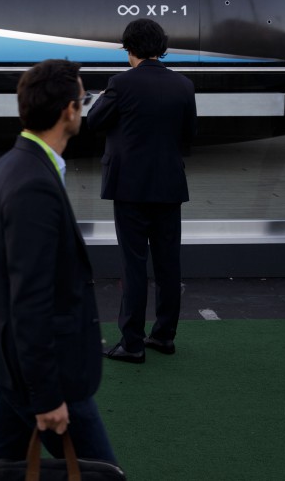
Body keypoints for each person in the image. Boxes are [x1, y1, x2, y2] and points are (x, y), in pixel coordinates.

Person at [0, 58, 117, 465]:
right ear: (68, 111)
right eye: (83, 100)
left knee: (4, 467)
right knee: (101, 472)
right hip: (44, 377)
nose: (83, 108)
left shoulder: (13, 164)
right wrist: (46, 396)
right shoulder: (32, 183)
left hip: (15, 367)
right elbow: (31, 298)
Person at [87, 18, 197, 363]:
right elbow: (189, 137)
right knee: (168, 264)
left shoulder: (120, 83)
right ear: (161, 48)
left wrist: (102, 100)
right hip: (170, 184)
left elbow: (94, 122)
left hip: (130, 188)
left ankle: (132, 343)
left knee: (134, 265)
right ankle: (164, 335)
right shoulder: (183, 85)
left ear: (129, 48)